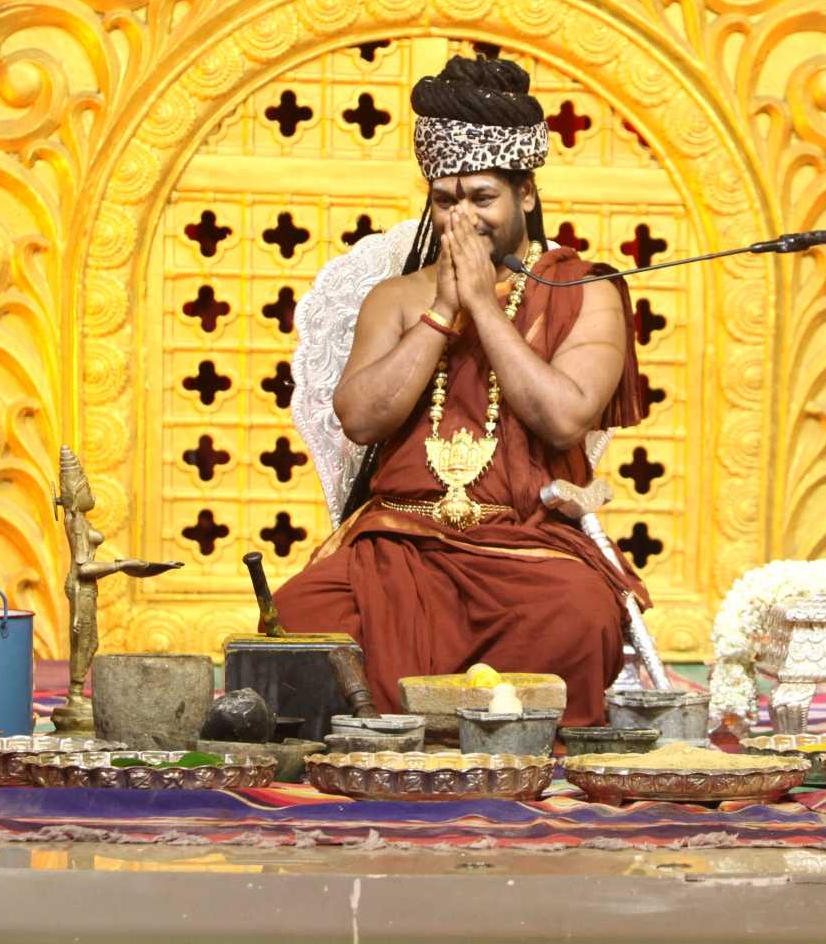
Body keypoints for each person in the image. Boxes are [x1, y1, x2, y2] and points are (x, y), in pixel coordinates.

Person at [273, 54, 648, 726]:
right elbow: (359, 418)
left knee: (579, 612)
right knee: (300, 615)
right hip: (399, 542)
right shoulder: (398, 297)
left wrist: (483, 304)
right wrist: (443, 312)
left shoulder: (584, 290)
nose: (462, 219)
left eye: (481, 198)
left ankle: (513, 754)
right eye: (446, 201)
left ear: (525, 194)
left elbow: (565, 419)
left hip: (526, 544)